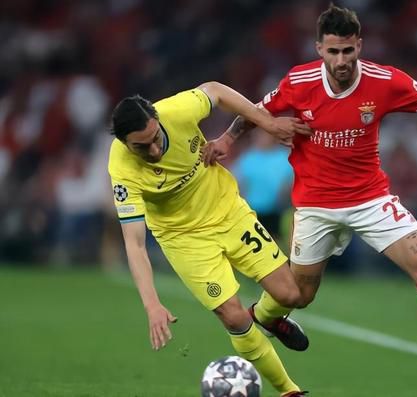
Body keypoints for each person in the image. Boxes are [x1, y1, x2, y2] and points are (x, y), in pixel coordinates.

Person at [204, 5, 417, 394]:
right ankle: (267, 317)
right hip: (315, 206)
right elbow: (255, 110)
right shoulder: (298, 81)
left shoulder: (385, 81)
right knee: (298, 295)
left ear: (359, 45)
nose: (341, 60)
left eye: (348, 51)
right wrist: (227, 139)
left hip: (370, 198)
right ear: (318, 49)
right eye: (333, 52)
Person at [107, 82, 312, 397]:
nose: (155, 150)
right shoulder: (121, 169)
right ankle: (289, 390)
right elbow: (134, 243)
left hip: (228, 212)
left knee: (291, 294)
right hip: (184, 238)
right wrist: (152, 306)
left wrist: (265, 124)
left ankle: (265, 316)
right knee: (232, 315)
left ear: (158, 120)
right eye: (141, 147)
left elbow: (215, 90)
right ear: (124, 143)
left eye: (155, 138)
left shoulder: (177, 111)